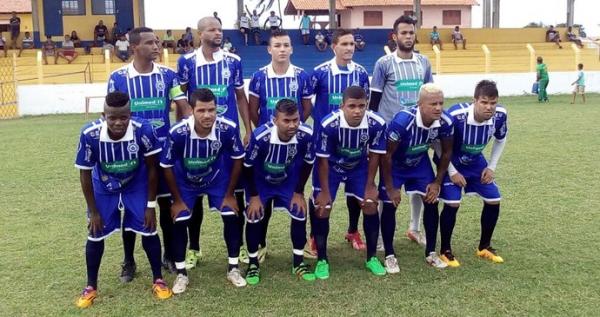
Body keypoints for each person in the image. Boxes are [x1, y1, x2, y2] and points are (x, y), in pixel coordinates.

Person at [74, 91, 172, 309]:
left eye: (123, 117)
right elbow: (84, 174)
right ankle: (91, 287)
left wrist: (150, 205)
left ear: (130, 114)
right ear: (103, 115)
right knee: (95, 233)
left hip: (136, 184)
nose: (118, 122)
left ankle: (158, 279)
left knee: (149, 228)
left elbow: (152, 169)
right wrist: (94, 212)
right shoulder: (89, 134)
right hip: (105, 187)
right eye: (112, 118)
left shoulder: (143, 130)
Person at [107, 26, 191, 281]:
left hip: (163, 153)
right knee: (131, 209)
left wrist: (189, 126)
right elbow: (113, 115)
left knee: (165, 205)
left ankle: (168, 255)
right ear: (134, 47)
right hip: (131, 154)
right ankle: (129, 261)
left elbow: (183, 106)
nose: (157, 46)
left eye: (157, 42)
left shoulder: (168, 76)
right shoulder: (118, 78)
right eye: (150, 43)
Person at [177, 16, 251, 270]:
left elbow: (240, 97)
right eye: (212, 29)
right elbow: (181, 97)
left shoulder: (234, 61)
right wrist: (185, 125)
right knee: (194, 196)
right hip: (196, 139)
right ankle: (194, 249)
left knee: (235, 195)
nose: (218, 33)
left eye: (220, 29)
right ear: (200, 34)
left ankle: (238, 246)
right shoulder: (186, 61)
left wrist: (247, 128)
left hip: (226, 139)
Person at [162, 88, 247, 292]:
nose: (207, 115)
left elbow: (238, 160)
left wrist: (229, 194)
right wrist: (177, 200)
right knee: (180, 219)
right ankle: (181, 274)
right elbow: (166, 166)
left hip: (216, 179)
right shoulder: (178, 133)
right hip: (186, 182)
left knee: (232, 215)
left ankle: (233, 268)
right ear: (191, 110)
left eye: (211, 110)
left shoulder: (227, 128)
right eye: (201, 110)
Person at [370, 15, 434, 261]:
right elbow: (374, 102)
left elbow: (429, 95)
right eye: (403, 33)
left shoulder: (424, 62)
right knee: (386, 185)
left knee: (419, 185)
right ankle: (378, 236)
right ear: (394, 36)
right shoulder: (383, 64)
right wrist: (374, 134)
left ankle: (415, 228)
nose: (408, 36)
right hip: (391, 135)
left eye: (411, 32)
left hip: (418, 134)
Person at [248, 29, 314, 261]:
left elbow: (306, 108)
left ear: (292, 48)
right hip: (267, 147)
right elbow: (252, 108)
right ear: (269, 49)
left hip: (291, 145)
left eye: (286, 45)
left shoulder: (302, 76)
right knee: (262, 202)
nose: (282, 49)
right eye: (277, 45)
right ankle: (261, 245)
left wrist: (293, 129)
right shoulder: (259, 76)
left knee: (294, 192)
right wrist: (267, 131)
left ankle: (301, 247)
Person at [312, 86, 387, 278]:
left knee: (370, 205)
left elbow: (376, 155)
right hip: (331, 167)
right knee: (323, 207)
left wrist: (370, 185)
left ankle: (371, 258)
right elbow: (321, 160)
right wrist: (325, 191)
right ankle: (322, 259)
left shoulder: (376, 123)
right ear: (342, 105)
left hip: (358, 167)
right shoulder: (328, 124)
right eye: (352, 106)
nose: (357, 111)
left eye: (362, 106)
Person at [308, 29, 371, 257]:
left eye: (352, 44)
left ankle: (353, 231)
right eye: (344, 43)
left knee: (357, 192)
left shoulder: (362, 74)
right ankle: (315, 236)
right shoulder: (320, 72)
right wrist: (321, 122)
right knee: (322, 193)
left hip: (354, 143)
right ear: (334, 46)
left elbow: (365, 105)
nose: (349, 48)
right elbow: (307, 102)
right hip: (327, 144)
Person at [380, 83, 453, 271]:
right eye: (432, 104)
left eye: (441, 103)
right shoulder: (402, 121)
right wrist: (390, 187)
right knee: (390, 204)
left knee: (432, 201)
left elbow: (446, 153)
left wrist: (437, 182)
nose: (438, 108)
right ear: (420, 104)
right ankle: (389, 254)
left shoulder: (445, 122)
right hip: (396, 165)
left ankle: (430, 252)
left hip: (419, 163)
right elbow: (386, 155)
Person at [243, 99, 316, 285]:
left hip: (287, 181)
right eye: (287, 121)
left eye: (296, 120)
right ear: (275, 120)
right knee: (254, 215)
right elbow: (247, 167)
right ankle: (253, 264)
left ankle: (298, 263)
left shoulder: (307, 135)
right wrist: (254, 196)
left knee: (300, 212)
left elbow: (308, 163)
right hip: (261, 183)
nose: (292, 125)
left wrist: (298, 191)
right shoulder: (260, 137)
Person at [439, 80, 508, 267]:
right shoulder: (455, 115)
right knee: (453, 203)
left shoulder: (500, 115)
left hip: (476, 162)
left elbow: (501, 139)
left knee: (494, 199)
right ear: (474, 100)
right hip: (450, 162)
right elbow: (437, 144)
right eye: (484, 102)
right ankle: (445, 250)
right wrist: (452, 172)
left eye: (493, 103)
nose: (489, 107)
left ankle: (484, 246)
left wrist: (491, 167)